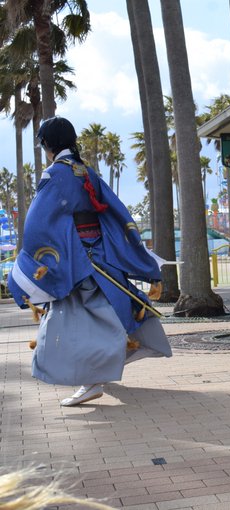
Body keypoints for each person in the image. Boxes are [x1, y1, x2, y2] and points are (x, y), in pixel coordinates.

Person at [7, 116, 172, 407]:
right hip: (100, 257)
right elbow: (114, 210)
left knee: (80, 322)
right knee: (114, 307)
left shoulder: (55, 174)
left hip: (77, 261)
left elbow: (38, 222)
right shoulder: (85, 170)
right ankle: (108, 366)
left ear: (48, 144)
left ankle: (92, 381)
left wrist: (29, 259)